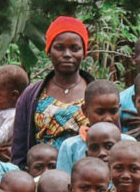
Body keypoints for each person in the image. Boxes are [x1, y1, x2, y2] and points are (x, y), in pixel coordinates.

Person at [7, 16, 96, 165]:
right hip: (43, 179)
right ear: (49, 51)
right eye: (59, 48)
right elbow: (20, 148)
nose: (67, 54)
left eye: (75, 48)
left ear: (84, 52)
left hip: (89, 177)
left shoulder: (97, 92)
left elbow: (114, 137)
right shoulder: (31, 95)